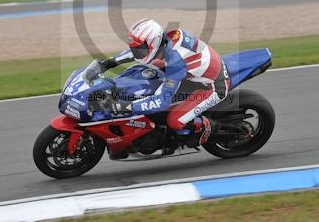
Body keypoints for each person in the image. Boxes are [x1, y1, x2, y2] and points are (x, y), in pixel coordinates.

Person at [84, 18, 230, 158]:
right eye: (136, 49)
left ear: (153, 44)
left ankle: (204, 129)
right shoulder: (164, 40)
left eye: (140, 49)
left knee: (175, 120)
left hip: (213, 86)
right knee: (144, 71)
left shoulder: (175, 61)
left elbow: (161, 101)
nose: (137, 53)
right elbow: (136, 54)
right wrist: (109, 63)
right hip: (195, 71)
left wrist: (125, 106)